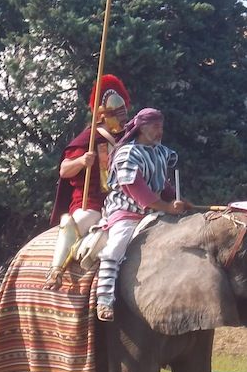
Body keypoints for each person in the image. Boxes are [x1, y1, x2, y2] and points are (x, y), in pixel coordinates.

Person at [96, 108, 191, 321]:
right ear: (142, 127)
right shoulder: (127, 154)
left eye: (161, 127)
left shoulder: (159, 152)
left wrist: (179, 199)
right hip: (127, 212)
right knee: (115, 249)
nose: (160, 131)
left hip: (155, 212)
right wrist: (166, 207)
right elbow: (135, 188)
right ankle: (104, 299)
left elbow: (161, 183)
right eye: (156, 126)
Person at [45, 75, 131, 288]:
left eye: (122, 112)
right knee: (77, 222)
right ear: (102, 116)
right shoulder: (88, 139)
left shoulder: (129, 138)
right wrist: (82, 161)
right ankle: (56, 271)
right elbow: (64, 170)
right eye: (115, 113)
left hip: (123, 203)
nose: (121, 118)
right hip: (91, 203)